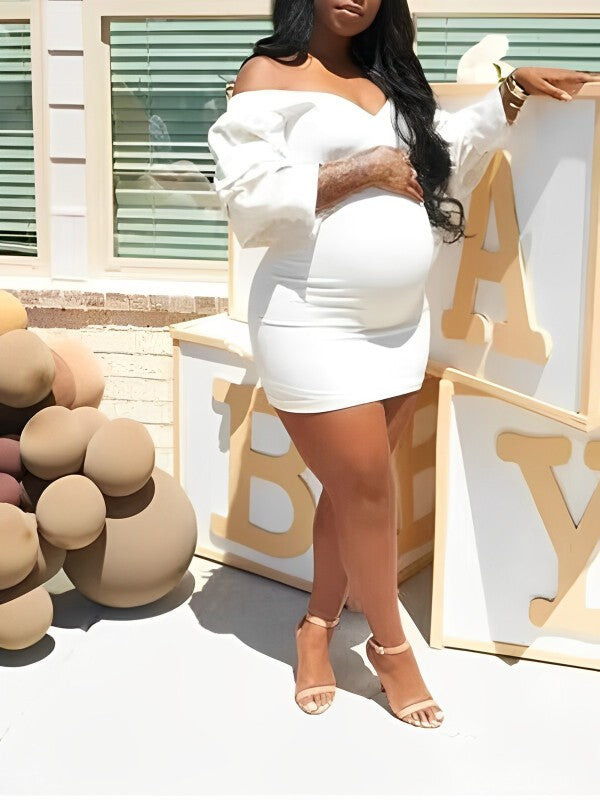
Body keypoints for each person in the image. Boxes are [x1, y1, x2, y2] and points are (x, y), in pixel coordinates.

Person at [207, 0, 600, 728]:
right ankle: (390, 648)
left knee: (349, 491)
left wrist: (510, 90)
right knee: (368, 486)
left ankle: (316, 628)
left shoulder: (387, 78)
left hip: (397, 328)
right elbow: (246, 199)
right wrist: (362, 169)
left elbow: (440, 150)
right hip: (309, 318)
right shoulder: (268, 73)